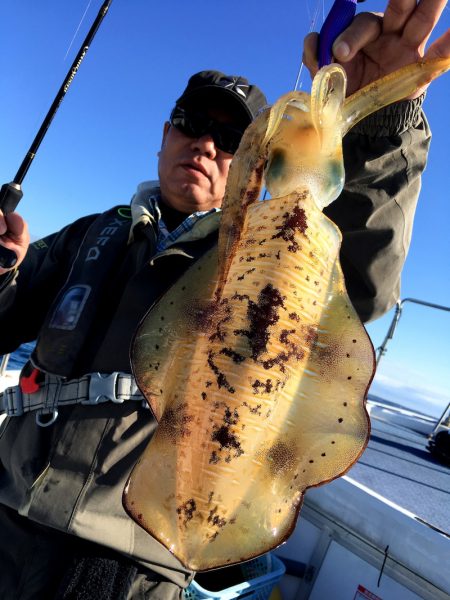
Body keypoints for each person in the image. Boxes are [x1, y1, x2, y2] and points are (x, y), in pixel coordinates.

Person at [0, 1, 449, 598]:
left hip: (133, 559)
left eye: (230, 136)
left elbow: (355, 278)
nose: (205, 146)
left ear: (253, 163)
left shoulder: (264, 258)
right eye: (191, 122)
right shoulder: (89, 237)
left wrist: (376, 128)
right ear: (165, 134)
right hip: (8, 514)